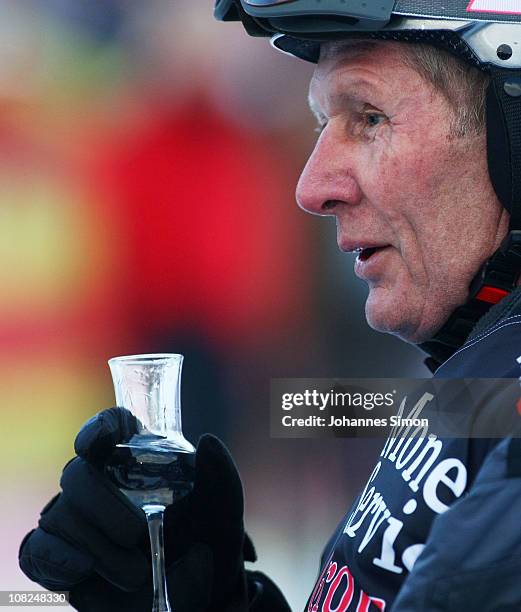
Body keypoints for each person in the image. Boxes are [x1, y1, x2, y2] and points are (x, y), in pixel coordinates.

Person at [19, 2, 521, 610]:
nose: (312, 188)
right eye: (321, 124)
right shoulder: (489, 370)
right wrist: (215, 599)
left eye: (370, 117)